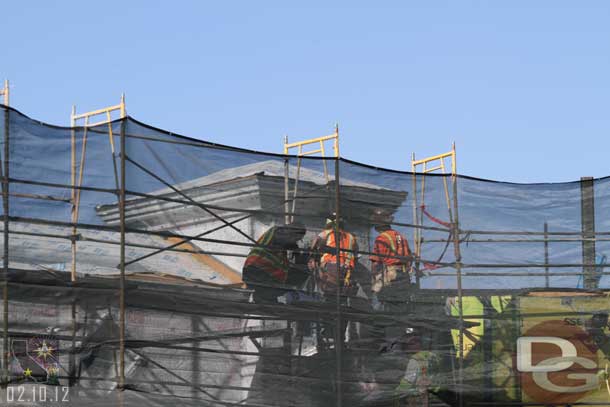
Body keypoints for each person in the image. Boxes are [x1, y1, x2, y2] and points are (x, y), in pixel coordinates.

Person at [242, 223, 307, 303]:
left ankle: (266, 301)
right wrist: (295, 249)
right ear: (294, 232)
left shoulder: (279, 232)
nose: (297, 240)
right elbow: (284, 240)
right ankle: (265, 301)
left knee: (272, 289)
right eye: (298, 238)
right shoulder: (280, 232)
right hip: (258, 269)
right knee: (290, 280)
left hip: (257, 269)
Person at [308, 213, 359, 297]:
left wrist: (312, 258)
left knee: (329, 290)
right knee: (342, 292)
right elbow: (356, 255)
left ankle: (329, 306)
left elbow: (315, 244)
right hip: (348, 268)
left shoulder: (326, 233)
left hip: (332, 266)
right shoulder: (351, 236)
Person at [370, 209, 412, 304]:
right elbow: (409, 257)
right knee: (401, 303)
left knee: (381, 300)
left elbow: (376, 263)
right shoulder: (401, 236)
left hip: (391, 274)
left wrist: (374, 277)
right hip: (404, 275)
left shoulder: (381, 238)